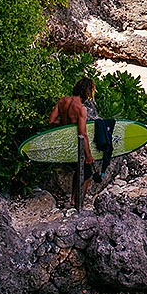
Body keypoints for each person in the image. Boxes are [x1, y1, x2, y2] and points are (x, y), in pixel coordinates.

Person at [49, 77, 99, 208]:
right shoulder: (81, 109)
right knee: (87, 174)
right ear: (87, 93)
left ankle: (72, 199)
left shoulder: (62, 101)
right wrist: (88, 155)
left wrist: (67, 125)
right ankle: (79, 203)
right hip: (77, 145)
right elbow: (82, 134)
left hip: (65, 143)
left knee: (78, 170)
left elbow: (51, 121)